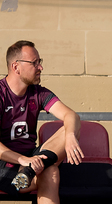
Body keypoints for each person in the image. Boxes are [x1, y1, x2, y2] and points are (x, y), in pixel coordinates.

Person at [0, 40, 84, 203]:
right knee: (51, 171)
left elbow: (71, 115)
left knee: (70, 127)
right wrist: (21, 160)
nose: (40, 67)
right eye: (34, 63)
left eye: (40, 62)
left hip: (33, 161)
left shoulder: (39, 93)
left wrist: (71, 137)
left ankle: (29, 171)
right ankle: (28, 170)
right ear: (16, 67)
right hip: (6, 164)